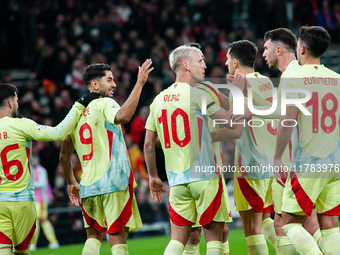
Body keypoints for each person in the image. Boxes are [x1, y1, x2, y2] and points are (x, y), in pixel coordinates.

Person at [231, 28, 324, 254]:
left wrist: (245, 105)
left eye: (266, 49)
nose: (263, 55)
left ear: (278, 49)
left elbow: (285, 114)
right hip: (302, 157)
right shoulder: (277, 80)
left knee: (293, 223)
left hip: (291, 159)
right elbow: (283, 112)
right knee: (290, 223)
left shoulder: (292, 75)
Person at [144, 44, 239, 255]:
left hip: (177, 182)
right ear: (186, 65)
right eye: (200, 61)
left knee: (178, 241)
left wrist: (153, 176)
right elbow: (232, 124)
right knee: (214, 236)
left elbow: (150, 143)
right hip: (205, 176)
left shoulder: (158, 100)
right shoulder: (198, 95)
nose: (204, 65)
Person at [59, 60, 153, 255]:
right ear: (95, 84)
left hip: (88, 185)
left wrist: (71, 182)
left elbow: (63, 156)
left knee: (92, 239)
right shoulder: (105, 103)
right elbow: (124, 116)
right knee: (118, 240)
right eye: (109, 80)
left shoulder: (74, 113)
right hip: (114, 182)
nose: (114, 84)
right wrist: (139, 84)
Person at [0, 83, 97, 255]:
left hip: (1, 203)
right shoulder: (21, 125)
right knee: (21, 253)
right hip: (23, 201)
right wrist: (80, 103)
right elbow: (57, 133)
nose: (18, 104)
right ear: (10, 103)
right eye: (16, 101)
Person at [274, 25, 340, 255]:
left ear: (301, 48)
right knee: (330, 224)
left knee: (289, 221)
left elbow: (287, 121)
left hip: (308, 162)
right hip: (334, 162)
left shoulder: (294, 78)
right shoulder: (337, 79)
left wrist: (276, 157)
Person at [213, 40, 279, 254]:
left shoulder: (239, 88)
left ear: (235, 61)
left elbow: (235, 131)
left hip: (250, 163)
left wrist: (208, 135)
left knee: (252, 228)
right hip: (270, 162)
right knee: (266, 220)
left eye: (226, 59)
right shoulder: (266, 82)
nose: (225, 64)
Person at [30, 155, 59, 251]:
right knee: (43, 221)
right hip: (35, 200)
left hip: (41, 200)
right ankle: (53, 241)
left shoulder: (41, 170)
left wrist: (29, 184)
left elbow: (42, 183)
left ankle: (34, 244)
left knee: (37, 221)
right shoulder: (32, 170)